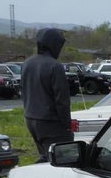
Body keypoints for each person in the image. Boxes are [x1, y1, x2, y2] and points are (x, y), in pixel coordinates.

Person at [20, 28, 73, 161]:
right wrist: (67, 125)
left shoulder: (28, 63)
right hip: (50, 122)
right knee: (60, 159)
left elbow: (23, 91)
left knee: (45, 155)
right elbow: (62, 101)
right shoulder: (55, 66)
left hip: (31, 119)